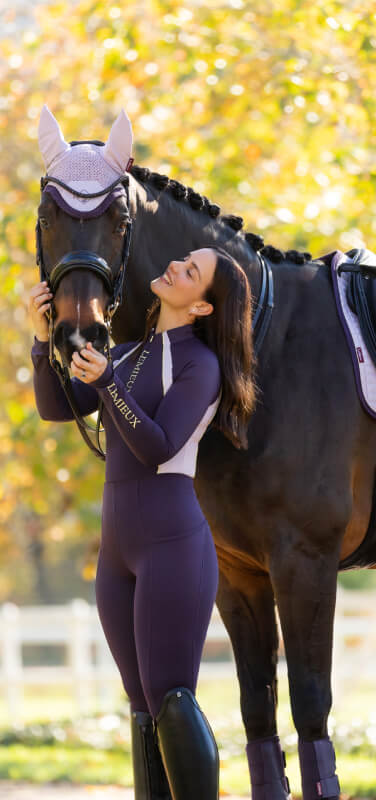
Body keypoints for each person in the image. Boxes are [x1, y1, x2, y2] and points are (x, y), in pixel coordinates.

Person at [26, 246, 257, 800]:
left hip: (172, 544)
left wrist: (108, 382)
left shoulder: (201, 368)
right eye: (184, 261)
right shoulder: (128, 355)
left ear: (202, 308)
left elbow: (157, 446)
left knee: (171, 695)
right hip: (118, 552)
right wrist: (42, 339)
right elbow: (58, 407)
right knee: (141, 708)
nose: (176, 266)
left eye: (190, 271)